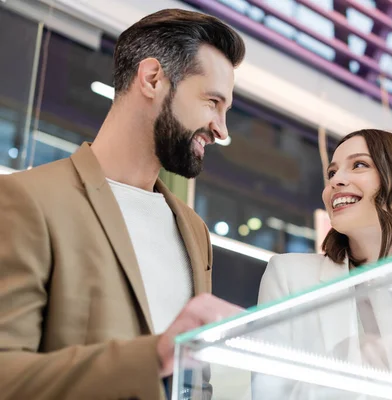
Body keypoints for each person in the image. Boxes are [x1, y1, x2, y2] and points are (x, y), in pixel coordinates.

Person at [0, 9, 245, 400]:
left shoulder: (195, 231)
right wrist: (154, 357)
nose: (221, 129)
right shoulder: (27, 200)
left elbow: (195, 381)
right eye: (212, 101)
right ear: (152, 79)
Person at [254, 129, 392, 398]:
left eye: (359, 165)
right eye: (332, 173)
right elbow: (268, 394)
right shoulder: (289, 276)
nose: (336, 181)